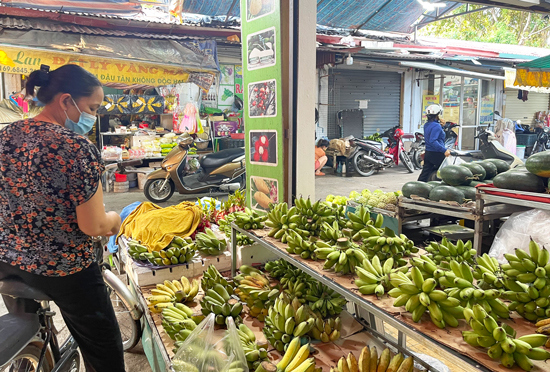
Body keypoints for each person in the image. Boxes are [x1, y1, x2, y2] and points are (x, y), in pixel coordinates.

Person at [0, 64, 125, 371]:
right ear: (66, 101)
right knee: (104, 353)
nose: (93, 116)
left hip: (7, 260)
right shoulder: (75, 146)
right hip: (63, 270)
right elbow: (93, 225)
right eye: (92, 108)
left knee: (34, 324)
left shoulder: (5, 136)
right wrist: (114, 220)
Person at [418, 104, 451, 182]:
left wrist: (441, 126)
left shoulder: (427, 125)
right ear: (438, 114)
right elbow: (433, 141)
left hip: (429, 153)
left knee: (425, 174)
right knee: (445, 174)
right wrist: (444, 150)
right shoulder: (436, 126)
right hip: (437, 153)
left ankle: (417, 189)